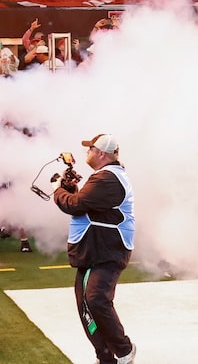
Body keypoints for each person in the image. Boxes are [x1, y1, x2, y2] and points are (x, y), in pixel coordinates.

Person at [53, 134, 137, 364]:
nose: (86, 152)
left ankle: (124, 350)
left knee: (96, 299)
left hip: (107, 249)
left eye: (90, 149)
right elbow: (88, 204)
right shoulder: (106, 177)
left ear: (101, 153)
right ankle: (105, 356)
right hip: (97, 249)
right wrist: (70, 189)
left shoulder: (107, 178)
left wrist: (57, 190)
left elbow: (76, 205)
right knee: (86, 303)